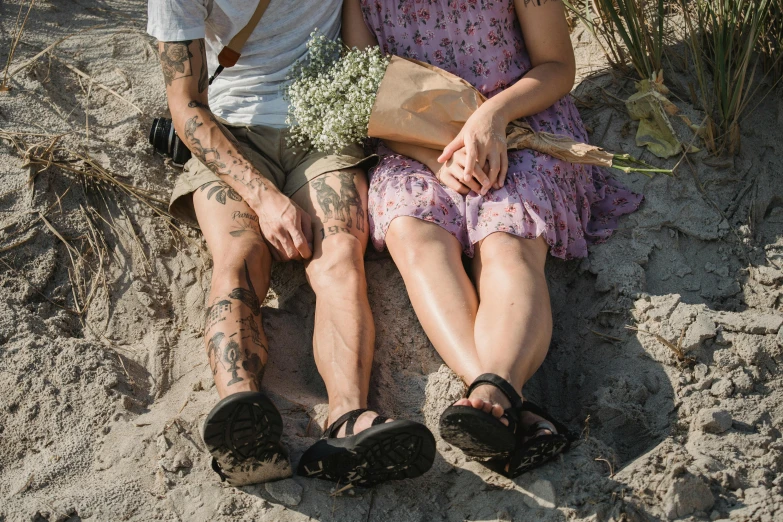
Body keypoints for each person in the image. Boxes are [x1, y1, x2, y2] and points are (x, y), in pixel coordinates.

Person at [343, 0, 643, 477]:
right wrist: (435, 158)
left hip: (522, 127)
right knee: (413, 232)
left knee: (506, 237)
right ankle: (503, 400)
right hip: (418, 145)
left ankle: (493, 390)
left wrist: (492, 118)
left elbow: (558, 67)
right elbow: (363, 97)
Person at [147, 0, 435, 487]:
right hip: (232, 133)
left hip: (322, 129)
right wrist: (265, 199)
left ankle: (349, 419)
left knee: (340, 257)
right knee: (240, 258)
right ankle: (242, 422)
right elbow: (186, 105)